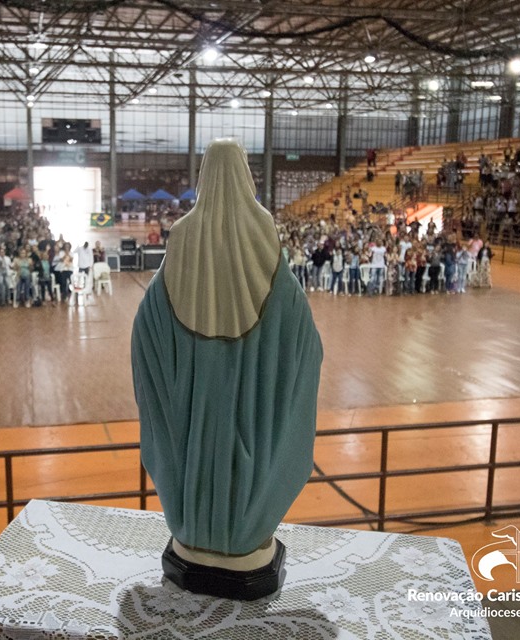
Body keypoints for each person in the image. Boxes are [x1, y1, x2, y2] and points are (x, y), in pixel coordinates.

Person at [131, 138, 323, 567]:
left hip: (189, 392)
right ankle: (247, 524)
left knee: (192, 454)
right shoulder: (265, 233)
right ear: (246, 175)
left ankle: (194, 524)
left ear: (203, 178)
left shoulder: (181, 236)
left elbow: (147, 324)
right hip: (253, 389)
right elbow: (302, 335)